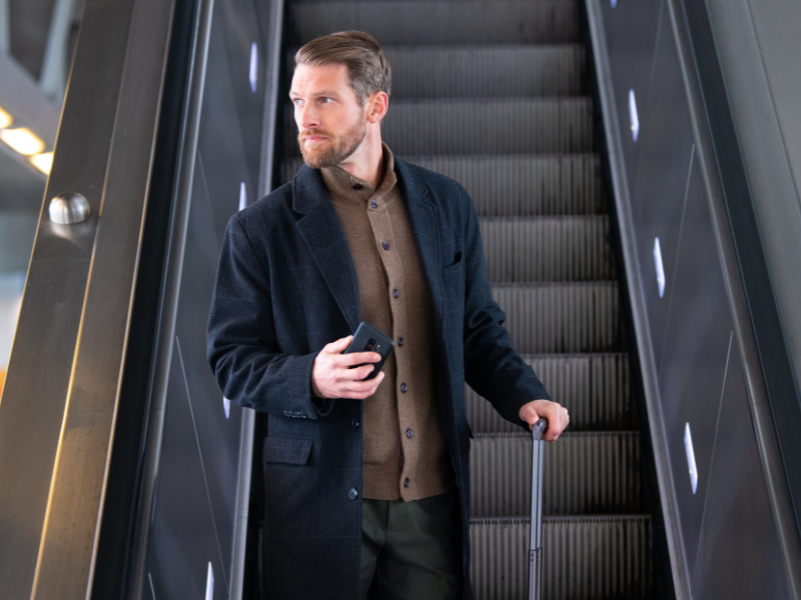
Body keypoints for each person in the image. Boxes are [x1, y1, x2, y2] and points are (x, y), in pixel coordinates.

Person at [207, 30, 570, 600]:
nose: (306, 117)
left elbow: (475, 325)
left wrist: (523, 394)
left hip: (430, 500)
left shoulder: (445, 204)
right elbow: (231, 360)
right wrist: (308, 376)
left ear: (375, 105)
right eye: (298, 100)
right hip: (319, 500)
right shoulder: (259, 229)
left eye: (325, 100)